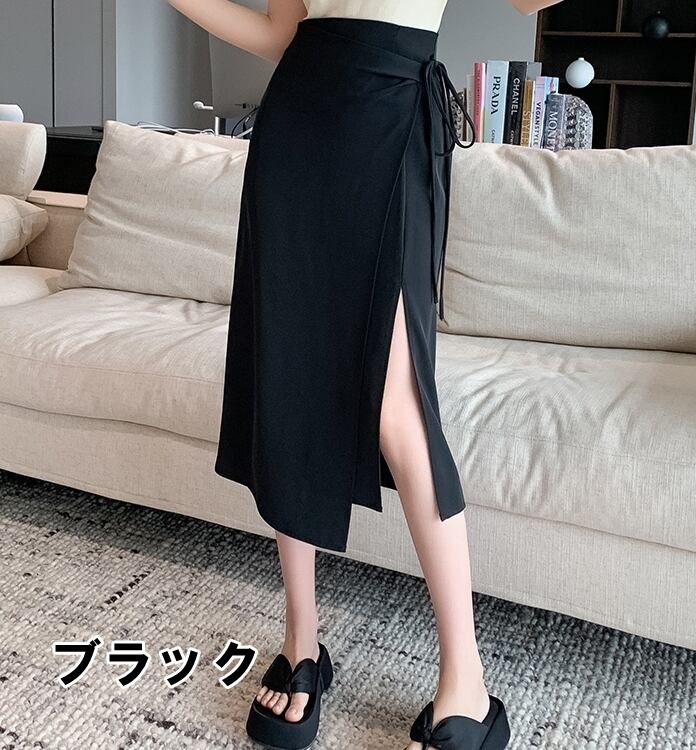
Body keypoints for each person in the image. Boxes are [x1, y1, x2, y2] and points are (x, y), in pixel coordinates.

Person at [167, 1, 563, 748]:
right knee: (291, 384)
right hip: (296, 130)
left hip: (389, 123)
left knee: (396, 410)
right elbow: (281, 32)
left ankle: (467, 685)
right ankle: (302, 641)